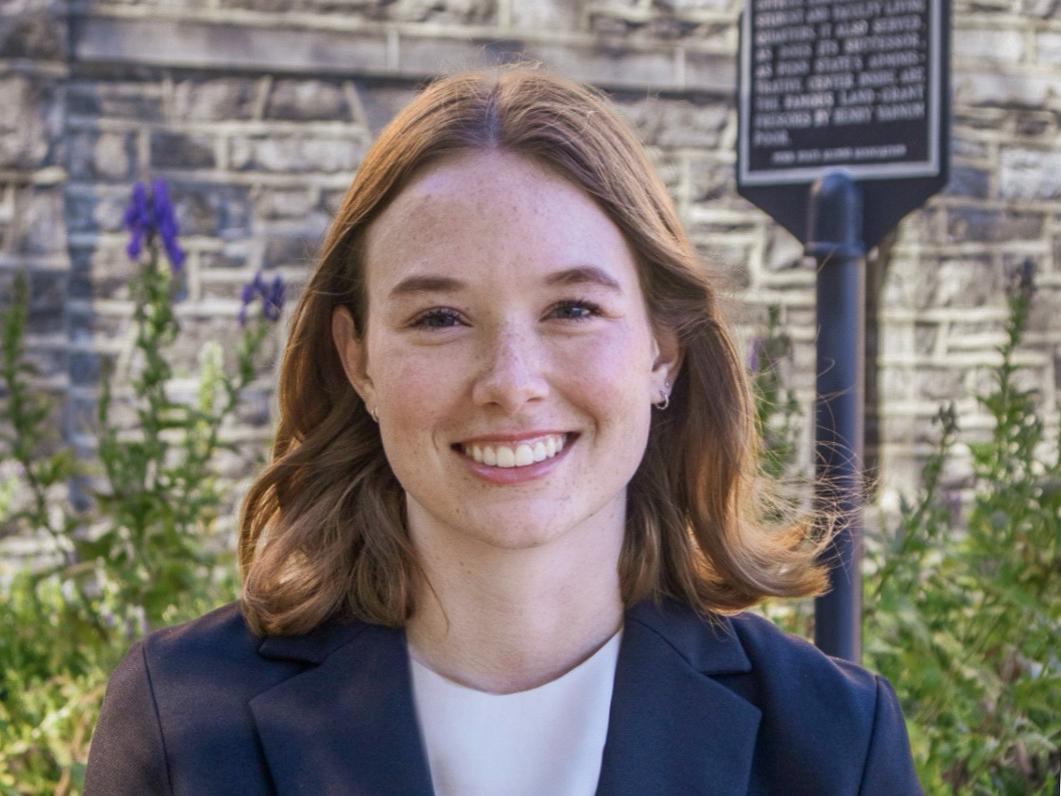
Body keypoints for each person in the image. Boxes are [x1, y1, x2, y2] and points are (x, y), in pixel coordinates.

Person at [84, 67, 921, 795]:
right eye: (440, 317)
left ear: (663, 350)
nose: (511, 383)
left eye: (572, 309)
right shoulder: (181, 720)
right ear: (358, 360)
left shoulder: (835, 744)